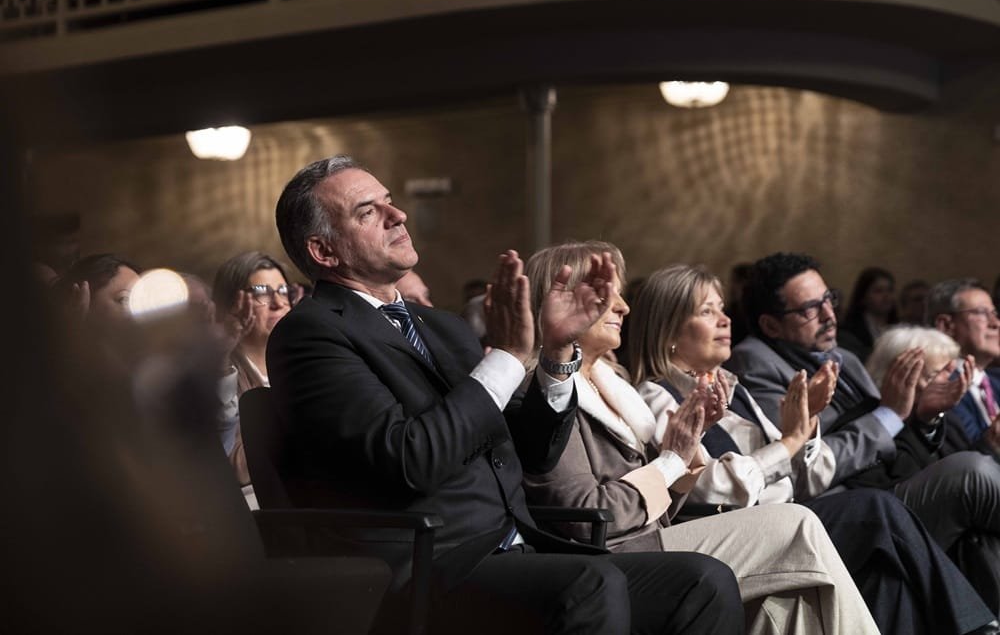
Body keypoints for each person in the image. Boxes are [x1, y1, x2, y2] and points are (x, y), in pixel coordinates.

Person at [267, 155, 744, 635]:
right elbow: (411, 459)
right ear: (324, 251)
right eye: (368, 212)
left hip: (520, 543)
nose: (399, 215)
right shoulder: (311, 333)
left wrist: (556, 354)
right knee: (590, 584)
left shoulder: (442, 326)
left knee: (702, 580)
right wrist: (510, 356)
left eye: (389, 202)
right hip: (429, 565)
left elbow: (531, 451)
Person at [523, 242, 879, 635]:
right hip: (617, 558)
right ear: (558, 303)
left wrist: (689, 447)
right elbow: (589, 516)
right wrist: (673, 461)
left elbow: (665, 505)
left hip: (658, 538)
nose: (623, 307)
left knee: (786, 605)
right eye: (606, 296)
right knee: (802, 524)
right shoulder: (546, 397)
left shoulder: (617, 387)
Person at [631, 263, 998, 634]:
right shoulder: (657, 397)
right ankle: (978, 627)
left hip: (789, 516)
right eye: (707, 311)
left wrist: (807, 427)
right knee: (878, 507)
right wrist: (789, 442)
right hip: (747, 536)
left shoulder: (733, 389)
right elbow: (709, 489)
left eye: (722, 309)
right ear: (669, 329)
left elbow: (800, 475)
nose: (725, 320)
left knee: (886, 576)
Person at [727, 252, 1000, 622]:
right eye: (809, 309)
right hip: (840, 509)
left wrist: (923, 417)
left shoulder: (844, 357)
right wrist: (890, 415)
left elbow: (890, 442)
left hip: (885, 487)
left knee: (975, 537)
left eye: (829, 299)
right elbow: (802, 459)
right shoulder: (755, 363)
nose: (829, 315)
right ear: (771, 325)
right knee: (972, 474)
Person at [211, 251, 294, 501]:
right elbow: (235, 469)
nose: (278, 303)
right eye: (261, 293)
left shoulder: (299, 361)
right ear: (232, 305)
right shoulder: (220, 374)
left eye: (283, 291)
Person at [927, 279, 1000, 448]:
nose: (996, 323)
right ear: (946, 325)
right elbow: (962, 457)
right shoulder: (939, 388)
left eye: (995, 313)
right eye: (982, 312)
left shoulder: (996, 381)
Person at [838, 267, 898, 362]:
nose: (886, 296)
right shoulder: (849, 332)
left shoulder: (899, 327)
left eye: (890, 290)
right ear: (863, 297)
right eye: (878, 291)